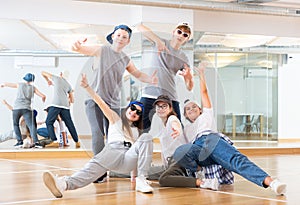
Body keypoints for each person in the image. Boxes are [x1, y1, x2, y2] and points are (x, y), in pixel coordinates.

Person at [172, 63, 287, 195]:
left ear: (200, 109)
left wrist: (201, 74)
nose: (191, 109)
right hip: (198, 150)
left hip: (211, 141)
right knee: (180, 151)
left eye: (194, 107)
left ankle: (272, 182)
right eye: (188, 109)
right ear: (185, 114)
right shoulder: (186, 128)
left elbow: (203, 92)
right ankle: (202, 175)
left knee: (236, 160)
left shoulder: (206, 115)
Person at [43, 74, 154, 198]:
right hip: (114, 151)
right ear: (128, 108)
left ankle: (142, 180)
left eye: (138, 112)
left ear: (139, 117)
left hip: (127, 160)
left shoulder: (137, 131)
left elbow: (138, 152)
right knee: (90, 170)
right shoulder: (115, 118)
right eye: (132, 108)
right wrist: (87, 87)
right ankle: (63, 184)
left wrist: (135, 176)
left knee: (146, 137)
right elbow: (101, 103)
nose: (134, 112)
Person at [71, 24, 157, 182]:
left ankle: (114, 165)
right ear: (113, 36)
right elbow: (81, 49)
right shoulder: (103, 50)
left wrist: (150, 79)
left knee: (115, 137)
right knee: (98, 134)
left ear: (128, 41)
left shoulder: (125, 58)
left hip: (114, 103)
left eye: (124, 37)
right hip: (95, 100)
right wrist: (77, 46)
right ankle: (99, 172)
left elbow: (137, 73)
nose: (121, 38)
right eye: (118, 35)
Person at [151, 95, 231, 191]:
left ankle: (204, 182)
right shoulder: (186, 128)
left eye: (164, 106)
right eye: (158, 106)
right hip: (170, 163)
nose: (161, 109)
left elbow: (175, 124)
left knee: (164, 179)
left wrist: (176, 128)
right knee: (146, 172)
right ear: (185, 114)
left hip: (179, 160)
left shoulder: (172, 118)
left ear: (170, 108)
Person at [137, 22, 194, 132]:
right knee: (142, 128)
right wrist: (158, 41)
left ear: (186, 40)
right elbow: (140, 27)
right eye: (179, 32)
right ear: (173, 32)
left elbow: (189, 87)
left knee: (178, 129)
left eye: (185, 35)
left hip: (169, 96)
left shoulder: (183, 57)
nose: (181, 35)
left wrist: (189, 77)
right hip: (149, 93)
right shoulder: (160, 42)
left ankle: (180, 149)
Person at [0, 73, 46, 148]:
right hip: (27, 109)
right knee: (31, 126)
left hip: (17, 108)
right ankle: (36, 142)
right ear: (32, 80)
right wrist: (43, 99)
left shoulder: (20, 85)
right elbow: (43, 96)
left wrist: (3, 84)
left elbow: (9, 84)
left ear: (25, 79)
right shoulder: (33, 88)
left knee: (16, 124)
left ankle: (19, 142)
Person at [41, 70, 80, 148]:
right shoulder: (68, 85)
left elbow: (43, 72)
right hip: (65, 106)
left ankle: (54, 140)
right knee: (69, 124)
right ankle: (77, 141)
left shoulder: (56, 78)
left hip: (56, 104)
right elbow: (72, 100)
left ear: (61, 74)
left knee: (49, 122)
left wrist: (48, 81)